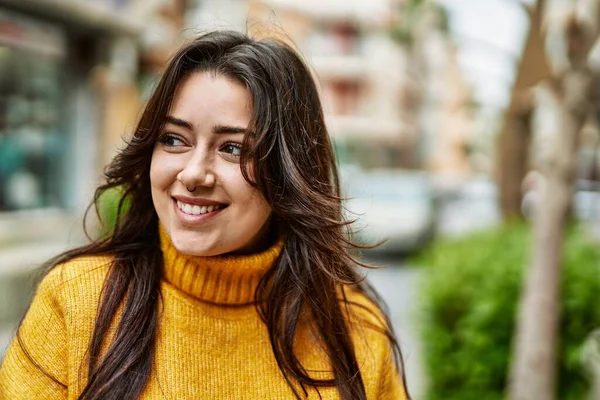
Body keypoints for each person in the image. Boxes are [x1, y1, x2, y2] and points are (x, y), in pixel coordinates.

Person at [0, 31, 409, 399]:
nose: (193, 173)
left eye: (233, 148)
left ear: (289, 173)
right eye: (174, 139)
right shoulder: (76, 301)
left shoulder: (354, 333)